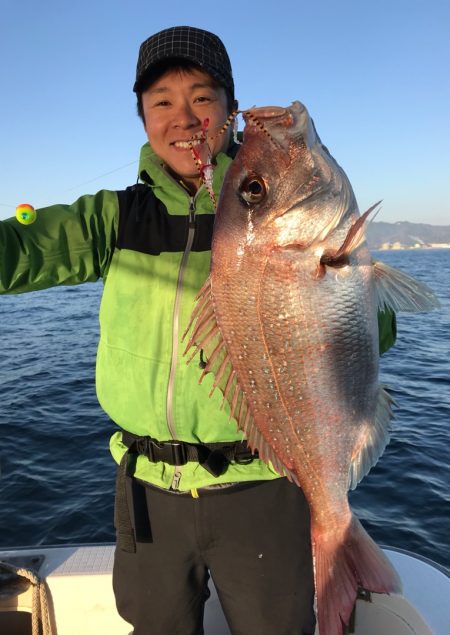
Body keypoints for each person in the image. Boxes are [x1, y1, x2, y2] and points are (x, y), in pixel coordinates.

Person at [0, 26, 396, 635]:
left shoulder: (253, 212)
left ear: (232, 111)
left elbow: (377, 335)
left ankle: (332, 530)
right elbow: (19, 252)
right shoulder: (116, 216)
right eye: (161, 101)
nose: (184, 118)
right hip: (147, 489)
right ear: (142, 118)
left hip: (263, 485)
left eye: (203, 98)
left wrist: (355, 292)